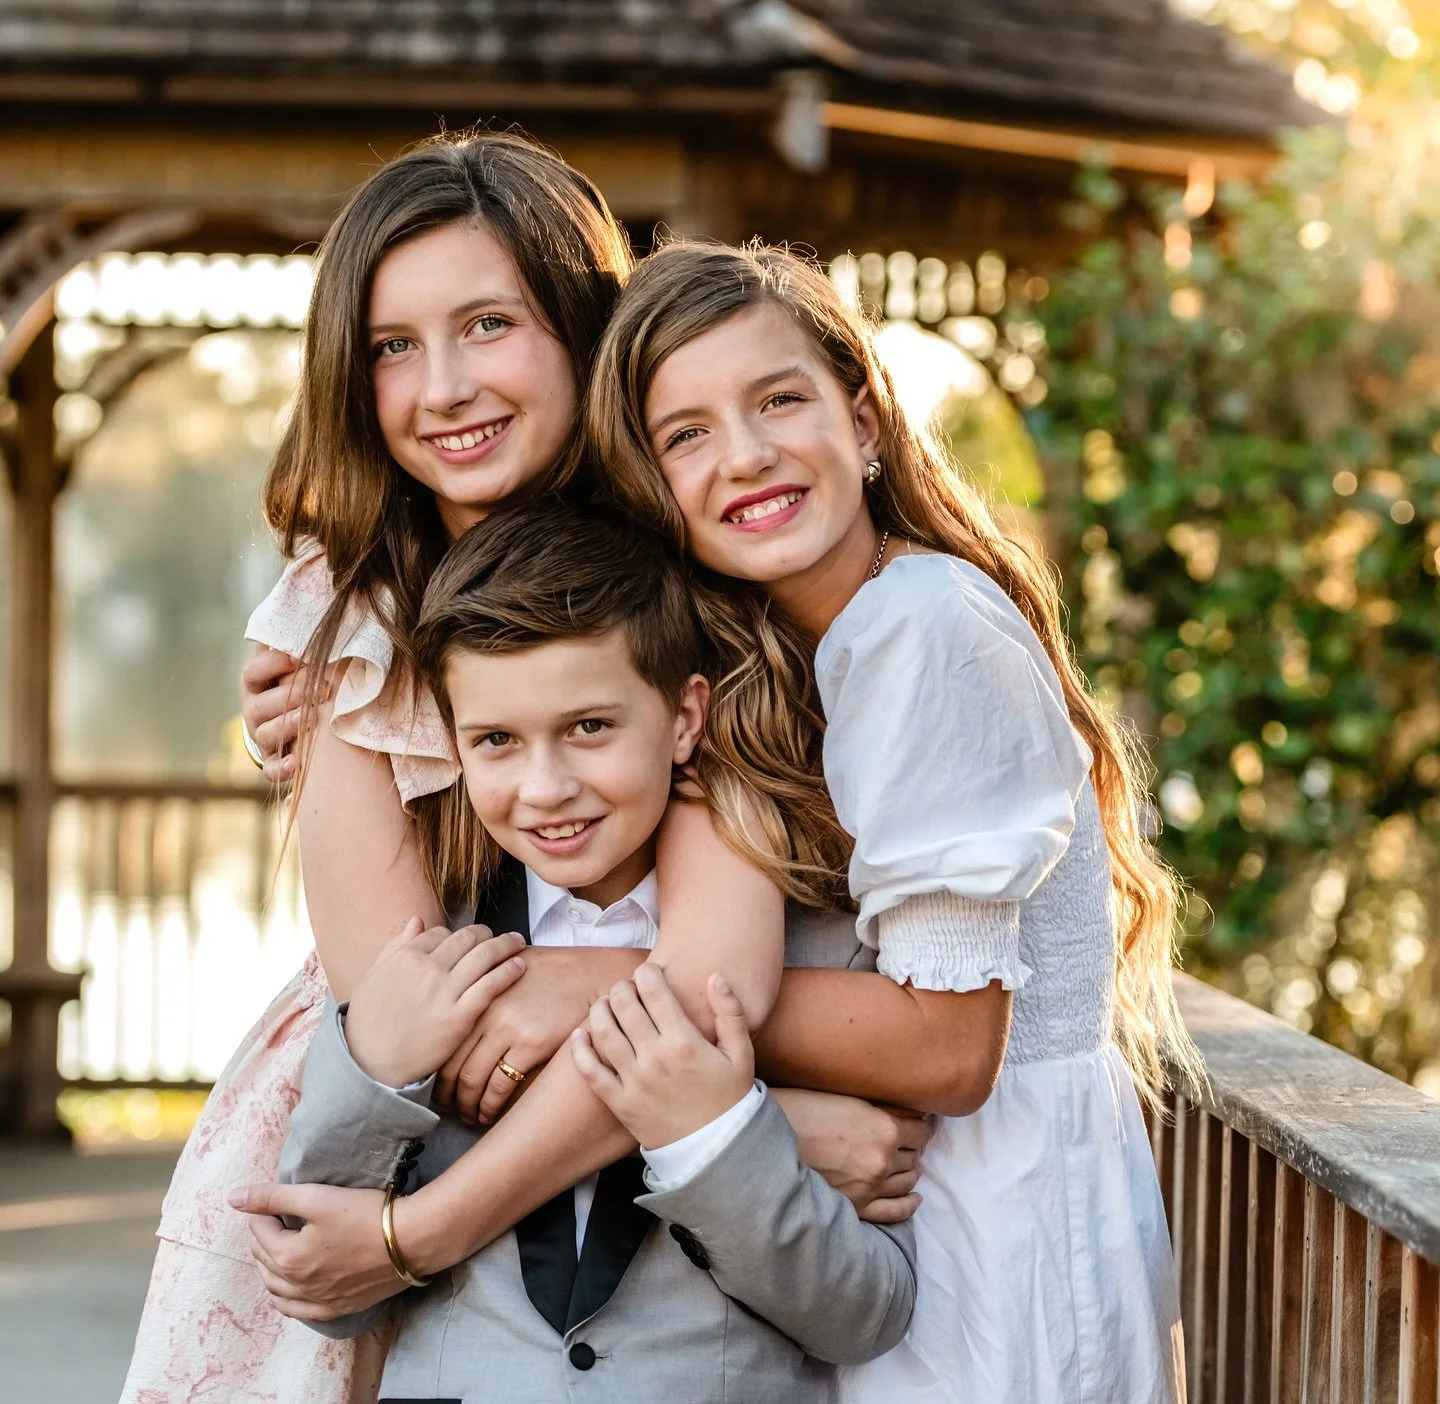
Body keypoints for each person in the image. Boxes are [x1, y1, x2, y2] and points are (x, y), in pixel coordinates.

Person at [126, 132, 925, 1403]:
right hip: (417, 1172)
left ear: (578, 328)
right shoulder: (347, 633)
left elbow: (708, 980)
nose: (442, 387)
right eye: (392, 346)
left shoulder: (694, 595)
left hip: (669, 1291)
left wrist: (672, 1063)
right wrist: (771, 1120)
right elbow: (426, 1023)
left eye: (488, 323)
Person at [582, 240, 1196, 1401]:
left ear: (863, 425)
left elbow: (947, 1048)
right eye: (687, 434)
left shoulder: (917, 623)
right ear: (651, 489)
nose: (747, 454)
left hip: (994, 1231)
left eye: (779, 400)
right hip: (917, 1215)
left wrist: (614, 992)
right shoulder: (811, 648)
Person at [262, 500, 915, 1401]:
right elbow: (321, 1284)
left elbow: (865, 1314)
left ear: (687, 717)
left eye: (590, 728)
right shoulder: (431, 947)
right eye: (496, 741)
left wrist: (716, 1137)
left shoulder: (819, 945)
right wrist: (376, 1059)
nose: (546, 788)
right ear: (453, 740)